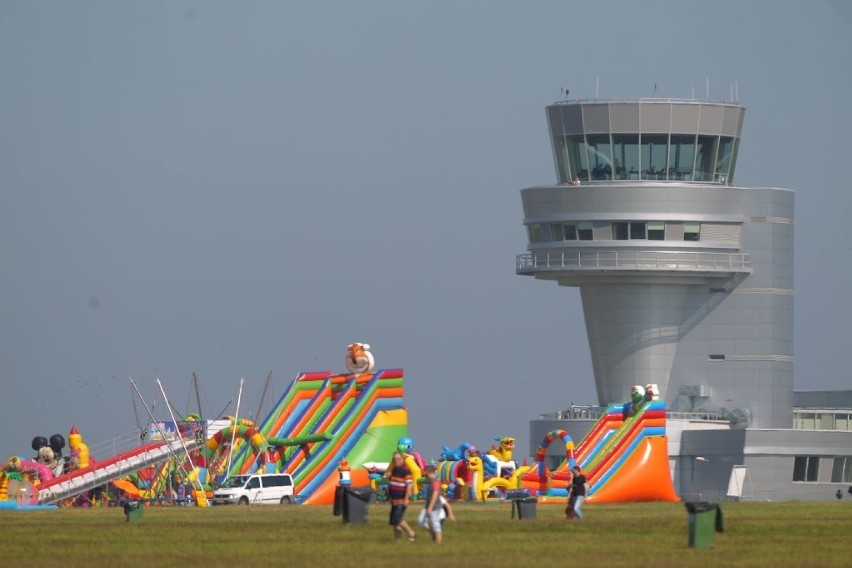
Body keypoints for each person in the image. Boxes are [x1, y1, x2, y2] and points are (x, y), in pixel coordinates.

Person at [418, 465, 455, 543]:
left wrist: (430, 507)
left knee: (436, 524)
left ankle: (438, 541)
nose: (424, 474)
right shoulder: (430, 482)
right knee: (421, 521)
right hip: (428, 505)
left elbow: (435, 494)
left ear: (428, 472)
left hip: (435, 507)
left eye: (425, 472)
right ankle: (434, 535)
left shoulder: (435, 482)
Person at [386, 451, 416, 542]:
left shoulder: (405, 471)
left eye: (398, 459)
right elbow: (392, 482)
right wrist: (388, 477)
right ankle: (398, 539)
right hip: (394, 500)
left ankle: (411, 533)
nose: (396, 461)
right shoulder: (394, 470)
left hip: (401, 499)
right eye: (394, 459)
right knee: (394, 521)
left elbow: (409, 485)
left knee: (397, 519)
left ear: (402, 460)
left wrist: (406, 499)